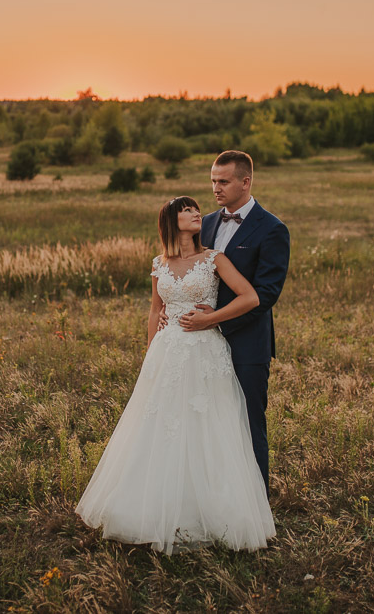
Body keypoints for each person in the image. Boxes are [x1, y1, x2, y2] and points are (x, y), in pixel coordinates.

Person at [75, 196, 276, 555]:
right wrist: (151, 352)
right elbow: (155, 310)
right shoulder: (159, 264)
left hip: (204, 351)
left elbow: (250, 298)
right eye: (186, 210)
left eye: (196, 209)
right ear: (170, 220)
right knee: (161, 426)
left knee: (206, 425)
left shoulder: (215, 259)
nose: (196, 213)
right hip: (167, 353)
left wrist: (211, 317)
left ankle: (213, 510)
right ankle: (153, 507)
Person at [173, 150, 290, 495]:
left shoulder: (272, 229)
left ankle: (256, 506)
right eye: (212, 181)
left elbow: (266, 293)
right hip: (199, 345)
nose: (216, 188)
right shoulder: (204, 223)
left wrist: (214, 321)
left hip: (246, 342)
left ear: (245, 182)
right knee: (208, 421)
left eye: (223, 181)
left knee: (248, 422)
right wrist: (171, 304)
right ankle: (212, 497)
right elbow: (184, 270)